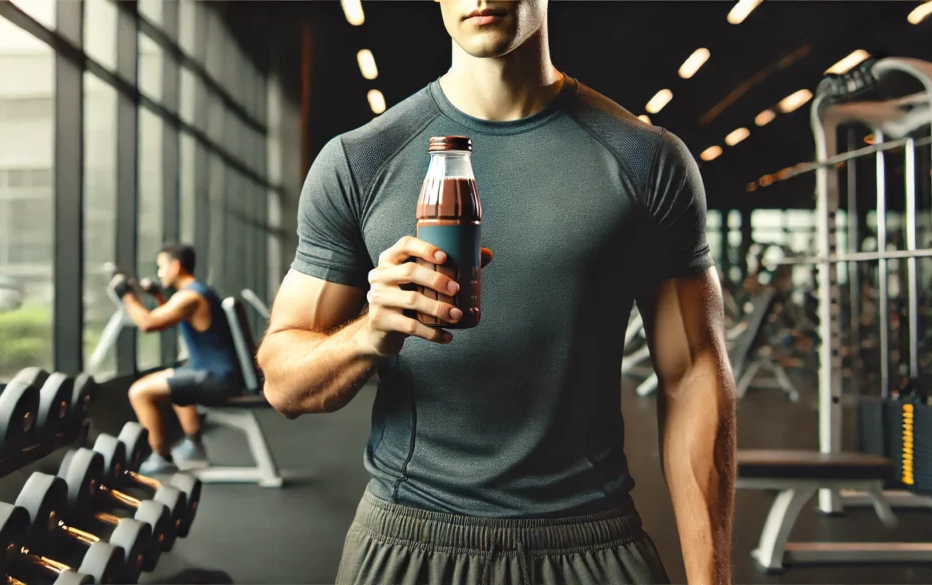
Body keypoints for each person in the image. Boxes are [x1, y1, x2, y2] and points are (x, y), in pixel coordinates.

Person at [258, 1, 738, 583]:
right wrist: (368, 334)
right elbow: (284, 383)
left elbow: (692, 377)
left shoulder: (646, 158)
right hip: (410, 542)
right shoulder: (360, 160)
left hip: (593, 542)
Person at [115, 242, 244, 476]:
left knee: (139, 392)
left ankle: (161, 458)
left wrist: (126, 295)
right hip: (215, 372)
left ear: (175, 267)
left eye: (161, 267)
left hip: (217, 379)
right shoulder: (196, 292)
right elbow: (175, 316)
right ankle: (194, 446)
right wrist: (156, 294)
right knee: (176, 377)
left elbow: (148, 323)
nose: (159, 273)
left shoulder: (190, 298)